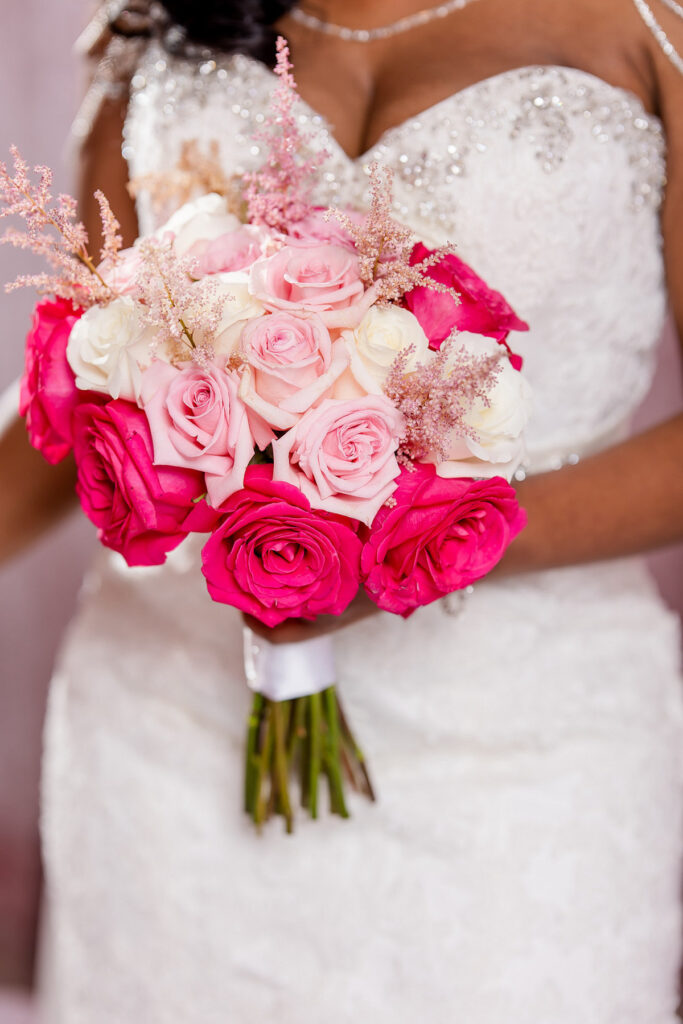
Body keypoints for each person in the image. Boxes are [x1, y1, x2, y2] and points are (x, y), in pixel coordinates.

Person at [2, 0, 683, 1019]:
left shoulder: (647, 23)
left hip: (525, 754)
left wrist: (424, 541)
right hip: (162, 734)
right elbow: (88, 379)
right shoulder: (152, 17)